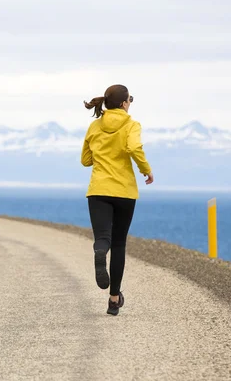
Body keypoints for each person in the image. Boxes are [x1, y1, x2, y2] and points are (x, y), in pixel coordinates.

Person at [81, 84, 154, 316]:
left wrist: (103, 154)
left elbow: (85, 160)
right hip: (124, 192)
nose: (130, 102)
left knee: (103, 238)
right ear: (124, 104)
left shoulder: (94, 125)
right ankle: (114, 300)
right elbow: (134, 147)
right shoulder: (131, 125)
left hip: (98, 190)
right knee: (120, 243)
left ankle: (100, 251)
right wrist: (146, 170)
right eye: (130, 99)